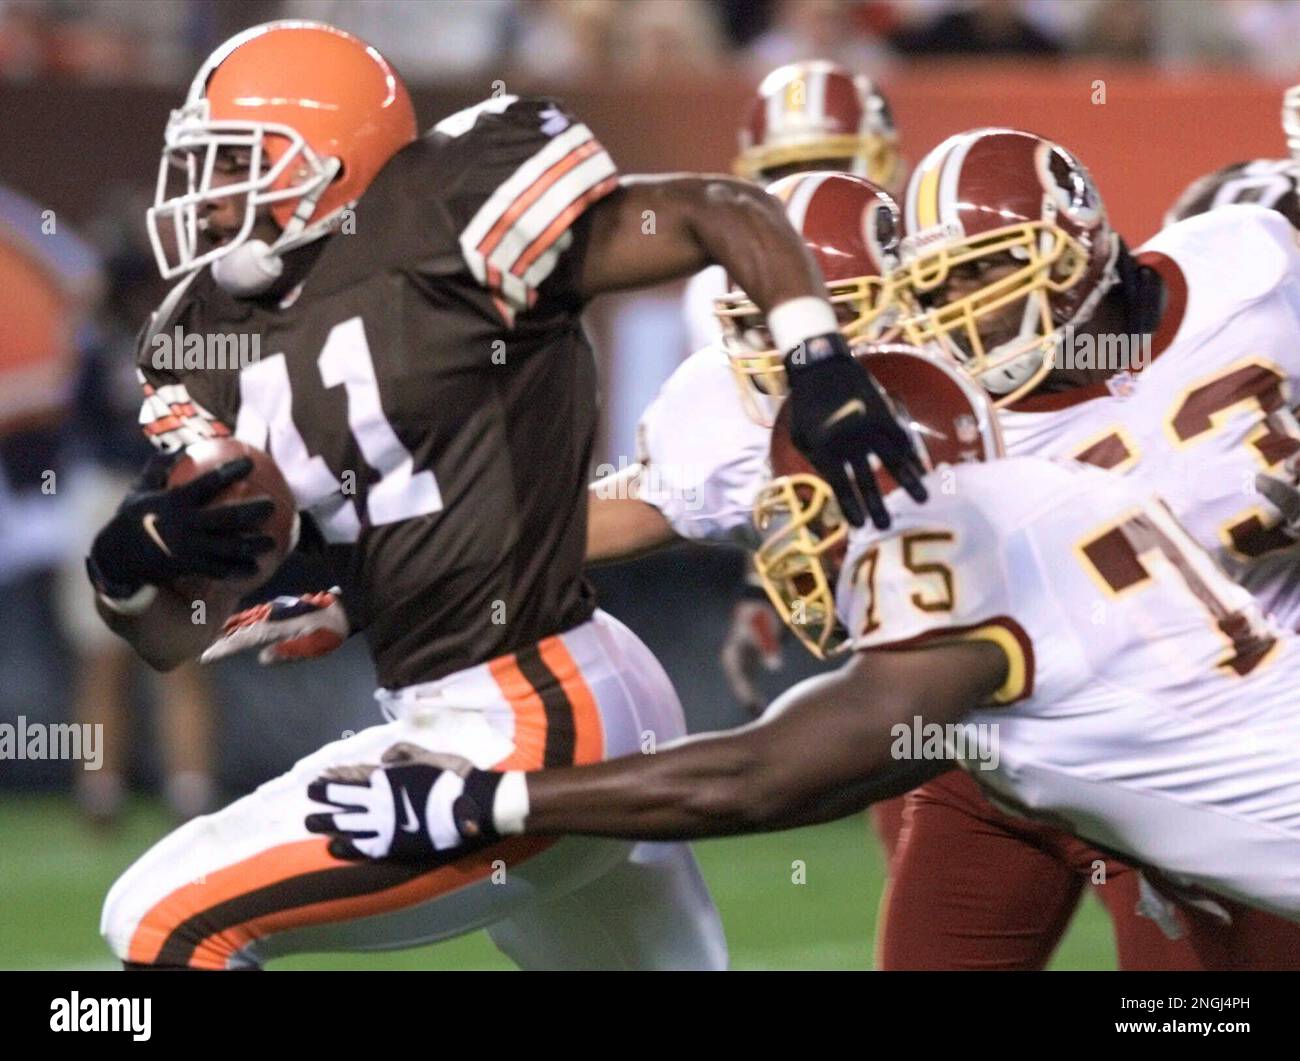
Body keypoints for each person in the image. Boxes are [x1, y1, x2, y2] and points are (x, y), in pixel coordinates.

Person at [90, 19, 921, 970]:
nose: (206, 195)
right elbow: (175, 639)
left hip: (525, 713)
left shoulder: (448, 206)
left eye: (237, 162)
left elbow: (722, 210)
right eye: (202, 164)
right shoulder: (206, 339)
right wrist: (128, 568)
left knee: (163, 918)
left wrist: (819, 361)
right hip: (550, 690)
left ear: (331, 160)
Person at [304, 343, 1300, 934]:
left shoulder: (949, 540)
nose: (788, 536)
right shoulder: (1042, 509)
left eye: (806, 506)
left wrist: (488, 800)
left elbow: (770, 774)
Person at [878, 127, 1300, 968]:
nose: (971, 306)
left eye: (988, 267)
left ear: (1077, 240)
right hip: (1006, 756)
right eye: (941, 285)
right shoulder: (947, 419)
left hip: (1205, 746)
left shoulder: (1249, 262)